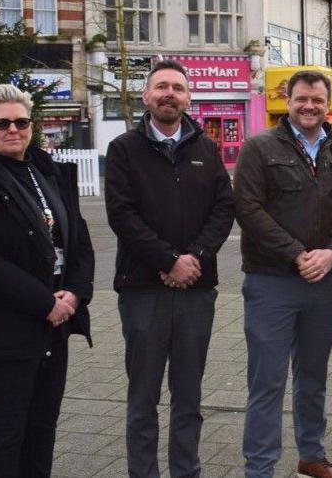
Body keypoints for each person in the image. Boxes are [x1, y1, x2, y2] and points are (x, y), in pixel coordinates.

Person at [104, 59, 235, 478]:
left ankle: (186, 471)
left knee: (188, 396)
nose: (169, 94)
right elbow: (122, 216)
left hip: (196, 290)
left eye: (178, 88)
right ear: (146, 95)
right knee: (143, 397)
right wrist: (168, 261)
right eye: (161, 86)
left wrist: (193, 258)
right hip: (143, 289)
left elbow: (223, 209)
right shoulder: (124, 149)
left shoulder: (206, 148)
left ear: (188, 97)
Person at [0, 83, 94, 477]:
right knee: (3, 435)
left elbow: (79, 242)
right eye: (2, 123)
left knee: (41, 430)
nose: (13, 129)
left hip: (54, 325)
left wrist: (77, 295)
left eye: (21, 121)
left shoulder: (47, 171)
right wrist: (45, 303)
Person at [233, 70, 332, 478]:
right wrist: (297, 254)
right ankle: (260, 468)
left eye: (318, 100)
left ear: (328, 104)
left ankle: (312, 455)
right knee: (267, 382)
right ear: (288, 101)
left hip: (323, 284)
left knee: (313, 377)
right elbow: (248, 209)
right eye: (302, 98)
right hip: (271, 282)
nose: (310, 106)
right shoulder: (259, 148)